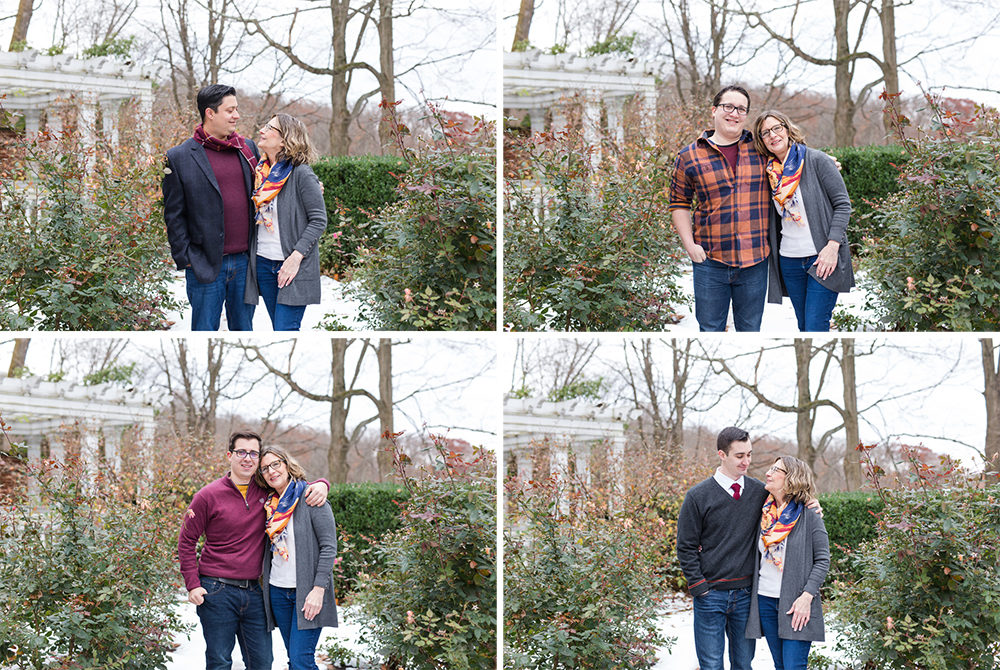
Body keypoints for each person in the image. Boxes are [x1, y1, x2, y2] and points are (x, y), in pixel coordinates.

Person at [178, 431, 330, 670]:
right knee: (219, 661)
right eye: (241, 452)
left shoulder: (267, 492)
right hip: (216, 590)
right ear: (229, 455)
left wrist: (322, 484)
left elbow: (294, 488)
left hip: (254, 592)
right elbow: (187, 540)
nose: (247, 458)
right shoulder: (207, 496)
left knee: (262, 662)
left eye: (253, 453)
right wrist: (192, 584)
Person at [669, 85, 771, 332]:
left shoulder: (761, 149)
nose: (734, 113)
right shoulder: (688, 156)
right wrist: (689, 246)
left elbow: (794, 156)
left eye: (741, 109)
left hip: (754, 260)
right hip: (709, 261)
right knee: (710, 331)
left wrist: (823, 162)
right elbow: (679, 204)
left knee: (751, 332)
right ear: (714, 110)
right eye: (728, 107)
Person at [163, 84, 260, 331]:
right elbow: (174, 214)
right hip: (204, 264)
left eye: (236, 109)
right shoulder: (179, 157)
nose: (236, 115)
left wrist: (310, 186)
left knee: (244, 331)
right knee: (204, 332)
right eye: (230, 110)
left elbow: (273, 183)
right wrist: (186, 258)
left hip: (245, 263)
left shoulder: (247, 149)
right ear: (210, 113)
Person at [753, 111, 854, 332]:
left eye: (777, 128)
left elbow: (843, 205)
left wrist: (832, 247)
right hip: (789, 260)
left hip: (822, 257)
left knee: (815, 326)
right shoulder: (769, 173)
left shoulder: (817, 160)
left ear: (787, 128)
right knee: (804, 327)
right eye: (765, 133)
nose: (773, 135)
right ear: (761, 141)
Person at [676, 427, 762, 670]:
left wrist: (812, 503)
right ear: (722, 455)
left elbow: (790, 503)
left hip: (745, 595)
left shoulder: (759, 492)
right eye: (739, 456)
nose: (746, 461)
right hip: (710, 595)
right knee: (711, 665)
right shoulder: (697, 496)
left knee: (743, 664)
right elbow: (685, 546)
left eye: (749, 454)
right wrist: (698, 586)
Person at [244, 114, 328, 331]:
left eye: (269, 128)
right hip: (263, 263)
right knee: (277, 328)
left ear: (284, 140)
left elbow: (319, 220)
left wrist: (295, 258)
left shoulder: (301, 174)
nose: (261, 130)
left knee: (286, 329)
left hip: (293, 266)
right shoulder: (259, 174)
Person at [257, 446, 338, 670]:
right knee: (294, 659)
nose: (271, 471)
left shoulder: (311, 498)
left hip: (308, 594)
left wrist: (318, 590)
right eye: (265, 468)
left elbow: (329, 547)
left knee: (302, 660)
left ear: (287, 464)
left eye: (275, 464)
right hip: (277, 591)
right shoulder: (269, 506)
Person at [745, 456, 830, 670]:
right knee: (780, 665)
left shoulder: (809, 515)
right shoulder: (763, 513)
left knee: (793, 666)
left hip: (796, 603)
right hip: (765, 600)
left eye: (776, 470)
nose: (768, 473)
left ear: (792, 478)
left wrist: (807, 597)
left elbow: (822, 560)